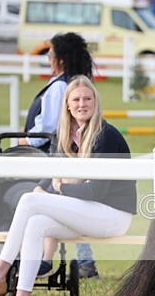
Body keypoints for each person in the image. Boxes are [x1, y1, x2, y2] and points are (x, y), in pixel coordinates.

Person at [0, 76, 137, 296]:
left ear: (95, 103)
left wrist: (58, 189)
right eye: (76, 99)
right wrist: (45, 188)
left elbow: (96, 191)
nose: (82, 103)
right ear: (68, 105)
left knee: (30, 202)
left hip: (111, 215)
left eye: (88, 98)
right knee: (35, 224)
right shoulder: (69, 136)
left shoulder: (105, 135)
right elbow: (54, 177)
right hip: (89, 211)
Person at [20, 32, 101, 280]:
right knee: (70, 204)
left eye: (51, 54)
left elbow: (48, 128)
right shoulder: (81, 84)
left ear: (61, 59)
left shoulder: (59, 87)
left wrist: (24, 140)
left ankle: (42, 257)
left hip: (51, 155)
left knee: (50, 199)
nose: (48, 58)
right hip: (68, 154)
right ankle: (86, 261)